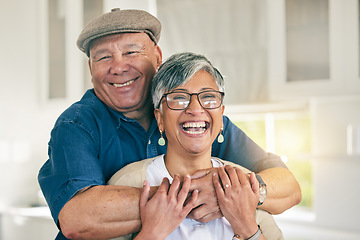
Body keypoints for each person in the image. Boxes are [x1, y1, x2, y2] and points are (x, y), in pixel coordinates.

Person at [37, 8, 301, 240]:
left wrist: (239, 195)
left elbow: (288, 187)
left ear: (157, 56)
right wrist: (200, 194)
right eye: (103, 57)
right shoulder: (76, 125)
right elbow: (76, 219)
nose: (118, 67)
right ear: (90, 68)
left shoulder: (197, 119)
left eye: (131, 52)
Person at [108, 52, 284, 240]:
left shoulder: (242, 183)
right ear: (160, 118)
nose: (195, 109)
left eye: (208, 97)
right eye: (179, 98)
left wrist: (246, 226)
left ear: (221, 116)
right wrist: (152, 233)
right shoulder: (128, 182)